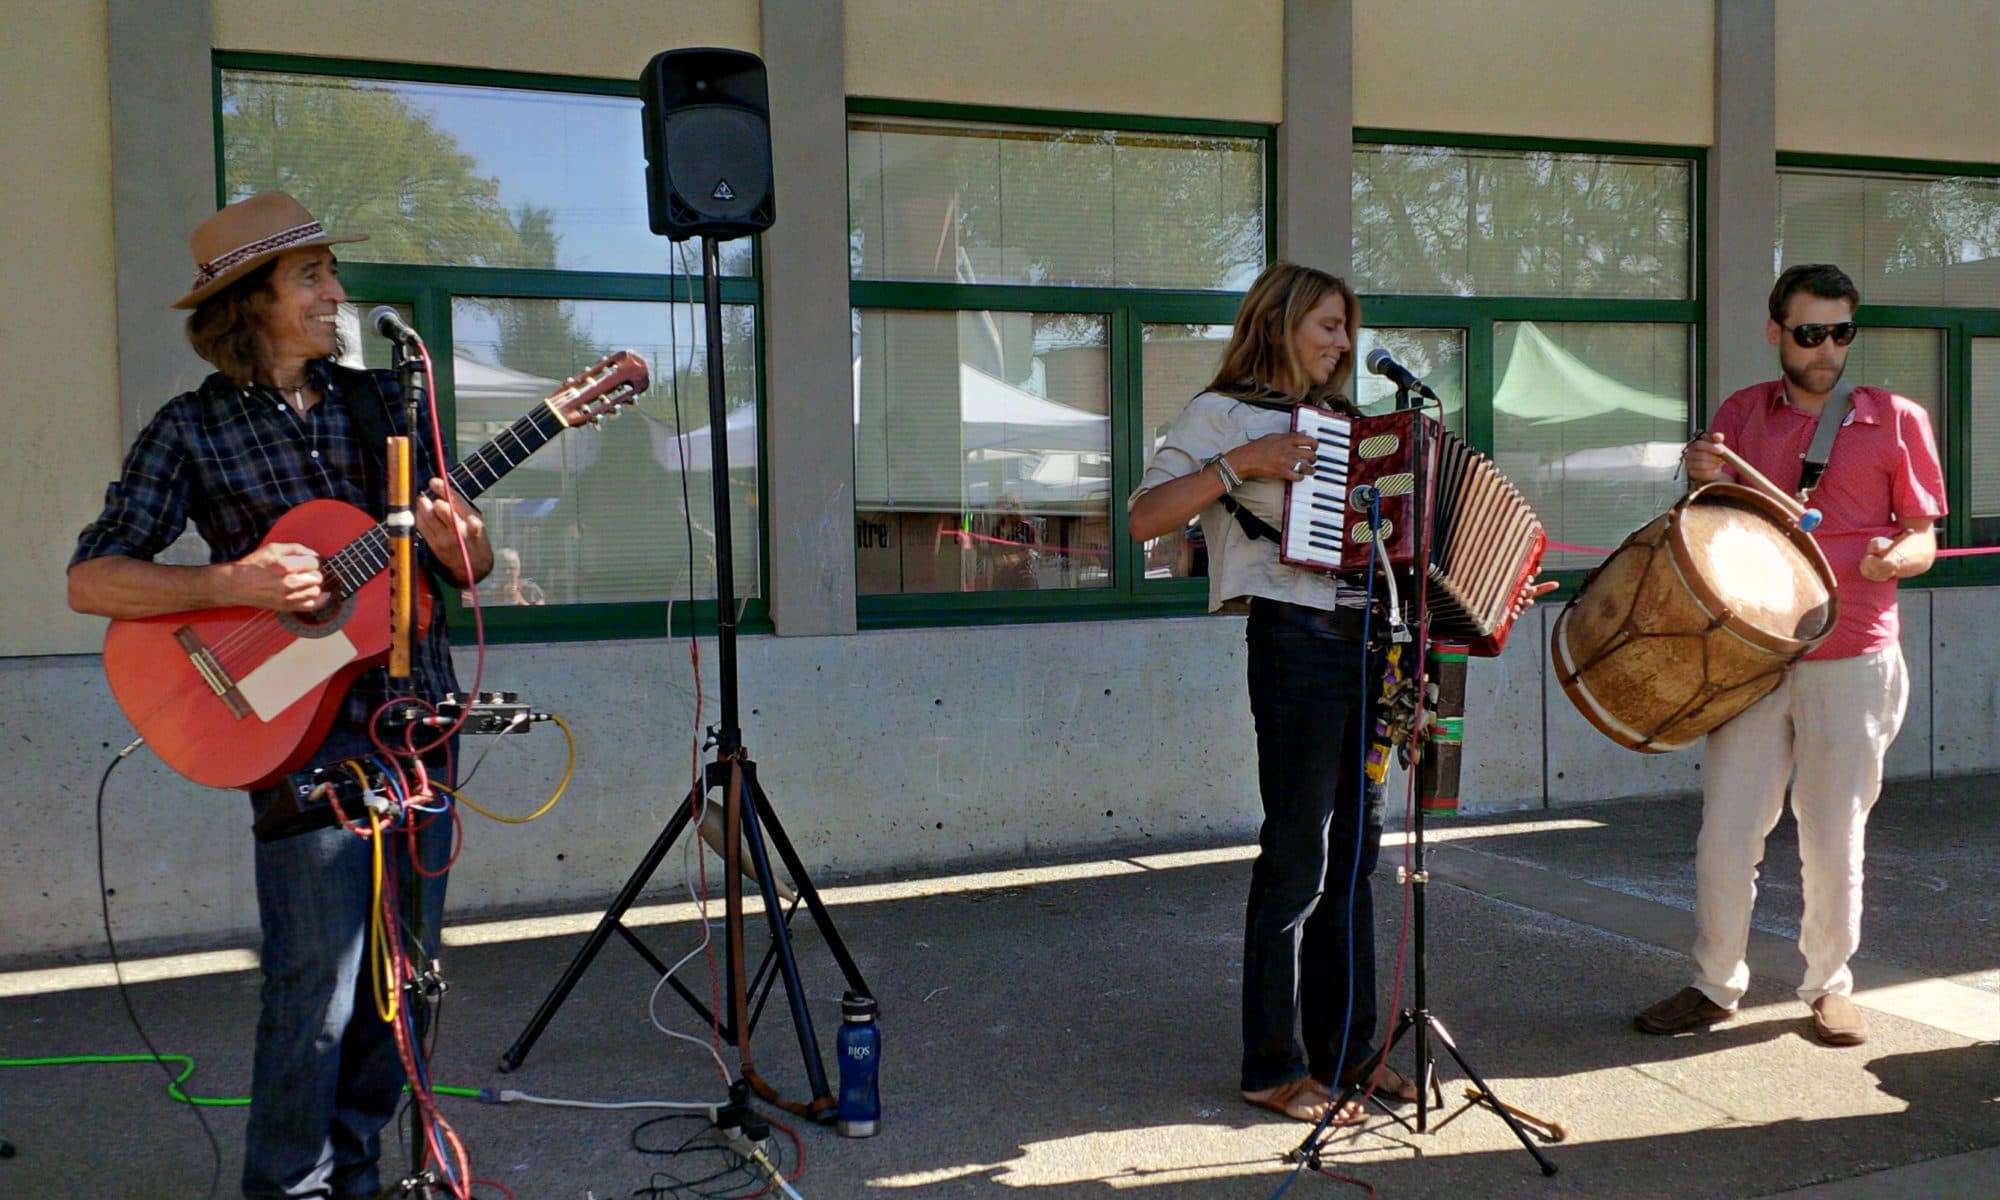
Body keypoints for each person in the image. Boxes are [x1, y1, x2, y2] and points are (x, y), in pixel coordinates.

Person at [67, 191, 494, 1197]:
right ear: (248, 304)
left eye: (330, 274)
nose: (335, 293)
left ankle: (361, 1178)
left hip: (413, 727)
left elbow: (464, 567)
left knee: (404, 987)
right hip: (292, 740)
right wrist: (230, 583)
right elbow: (93, 579)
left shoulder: (388, 404)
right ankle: (286, 1190)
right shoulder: (192, 430)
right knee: (315, 992)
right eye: (310, 277)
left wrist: (458, 543)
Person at [1129, 261, 1551, 1124]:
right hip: (1295, 643)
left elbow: (1404, 544)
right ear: (1278, 321)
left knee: (1357, 858)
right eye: (1327, 324)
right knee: (1299, 859)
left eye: (1347, 328)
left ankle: (1351, 1053)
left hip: (1370, 647)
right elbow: (1144, 516)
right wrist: (1238, 462)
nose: (1343, 344)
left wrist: (1487, 581)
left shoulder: (1360, 429)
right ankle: (1271, 1065)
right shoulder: (1224, 414)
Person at [1635, 263, 1945, 1047]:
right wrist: (1699, 475)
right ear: (1776, 332)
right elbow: (1707, 526)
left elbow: (1923, 535)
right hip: (1752, 656)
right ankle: (1714, 984)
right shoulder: (1742, 412)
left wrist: (1895, 558)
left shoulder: (1897, 417)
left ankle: (1830, 986)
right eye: (1810, 333)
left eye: (1841, 332)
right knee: (1727, 831)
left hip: (1853, 655)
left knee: (1834, 832)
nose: (1827, 350)